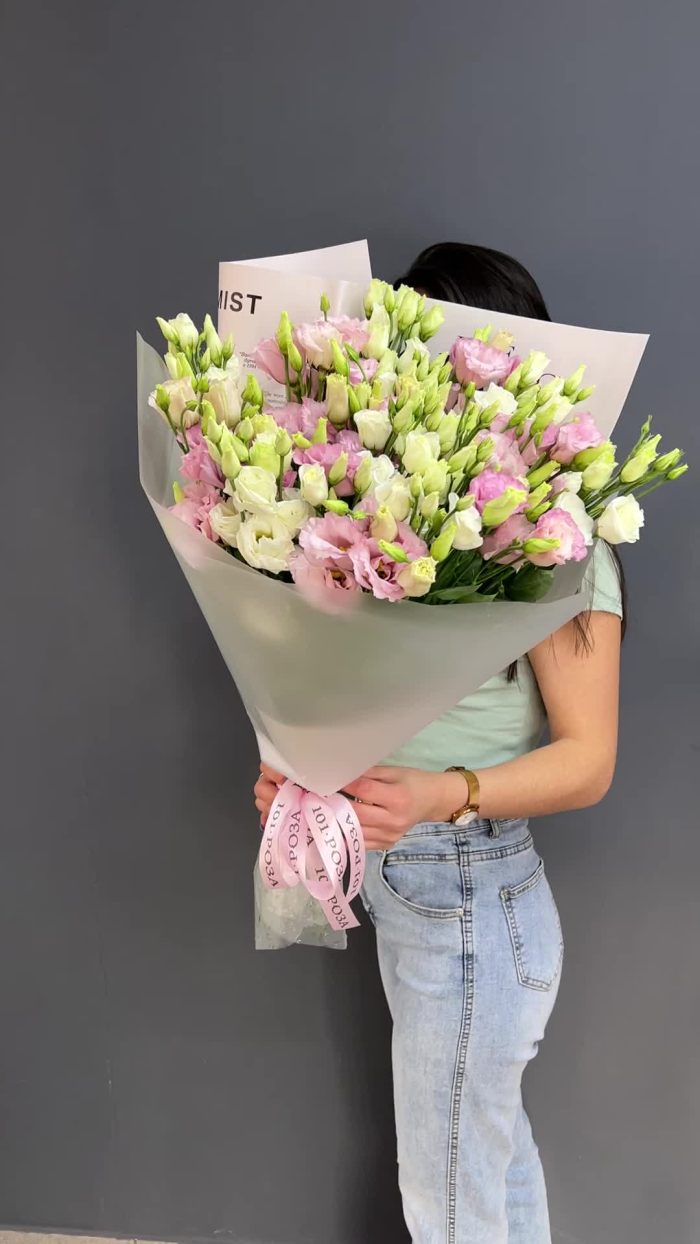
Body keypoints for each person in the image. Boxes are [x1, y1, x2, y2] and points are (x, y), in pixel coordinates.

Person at [254, 242, 624, 1244]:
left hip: (469, 896)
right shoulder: (400, 522)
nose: (446, 383)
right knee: (487, 1171)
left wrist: (437, 795)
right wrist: (303, 779)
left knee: (452, 1200)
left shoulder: (556, 542)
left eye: (469, 360)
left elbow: (589, 759)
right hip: (423, 891)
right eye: (422, 356)